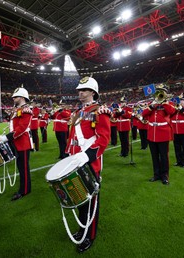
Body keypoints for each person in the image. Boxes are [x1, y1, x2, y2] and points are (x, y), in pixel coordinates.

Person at [65, 76, 111, 253]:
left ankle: (90, 236)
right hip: (76, 160)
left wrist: (88, 156)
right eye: (79, 90)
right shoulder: (79, 112)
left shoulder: (100, 111)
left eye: (83, 90)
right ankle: (81, 229)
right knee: (80, 199)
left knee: (91, 202)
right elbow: (73, 137)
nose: (80, 92)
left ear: (93, 92)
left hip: (90, 162)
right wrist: (69, 155)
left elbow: (104, 138)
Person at [0, 87, 33, 201]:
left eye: (16, 96)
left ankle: (25, 190)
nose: (13, 98)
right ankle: (24, 188)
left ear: (22, 97)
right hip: (16, 141)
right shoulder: (17, 109)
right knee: (20, 167)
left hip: (23, 142)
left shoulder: (25, 110)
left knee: (23, 168)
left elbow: (22, 128)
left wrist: (7, 138)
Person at [142, 84, 175, 185]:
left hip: (163, 133)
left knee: (164, 157)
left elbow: (171, 111)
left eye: (161, 92)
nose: (159, 94)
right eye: (158, 92)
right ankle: (156, 175)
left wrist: (164, 102)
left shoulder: (168, 103)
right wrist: (152, 105)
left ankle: (164, 176)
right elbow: (144, 114)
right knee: (154, 156)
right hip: (152, 133)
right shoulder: (152, 104)